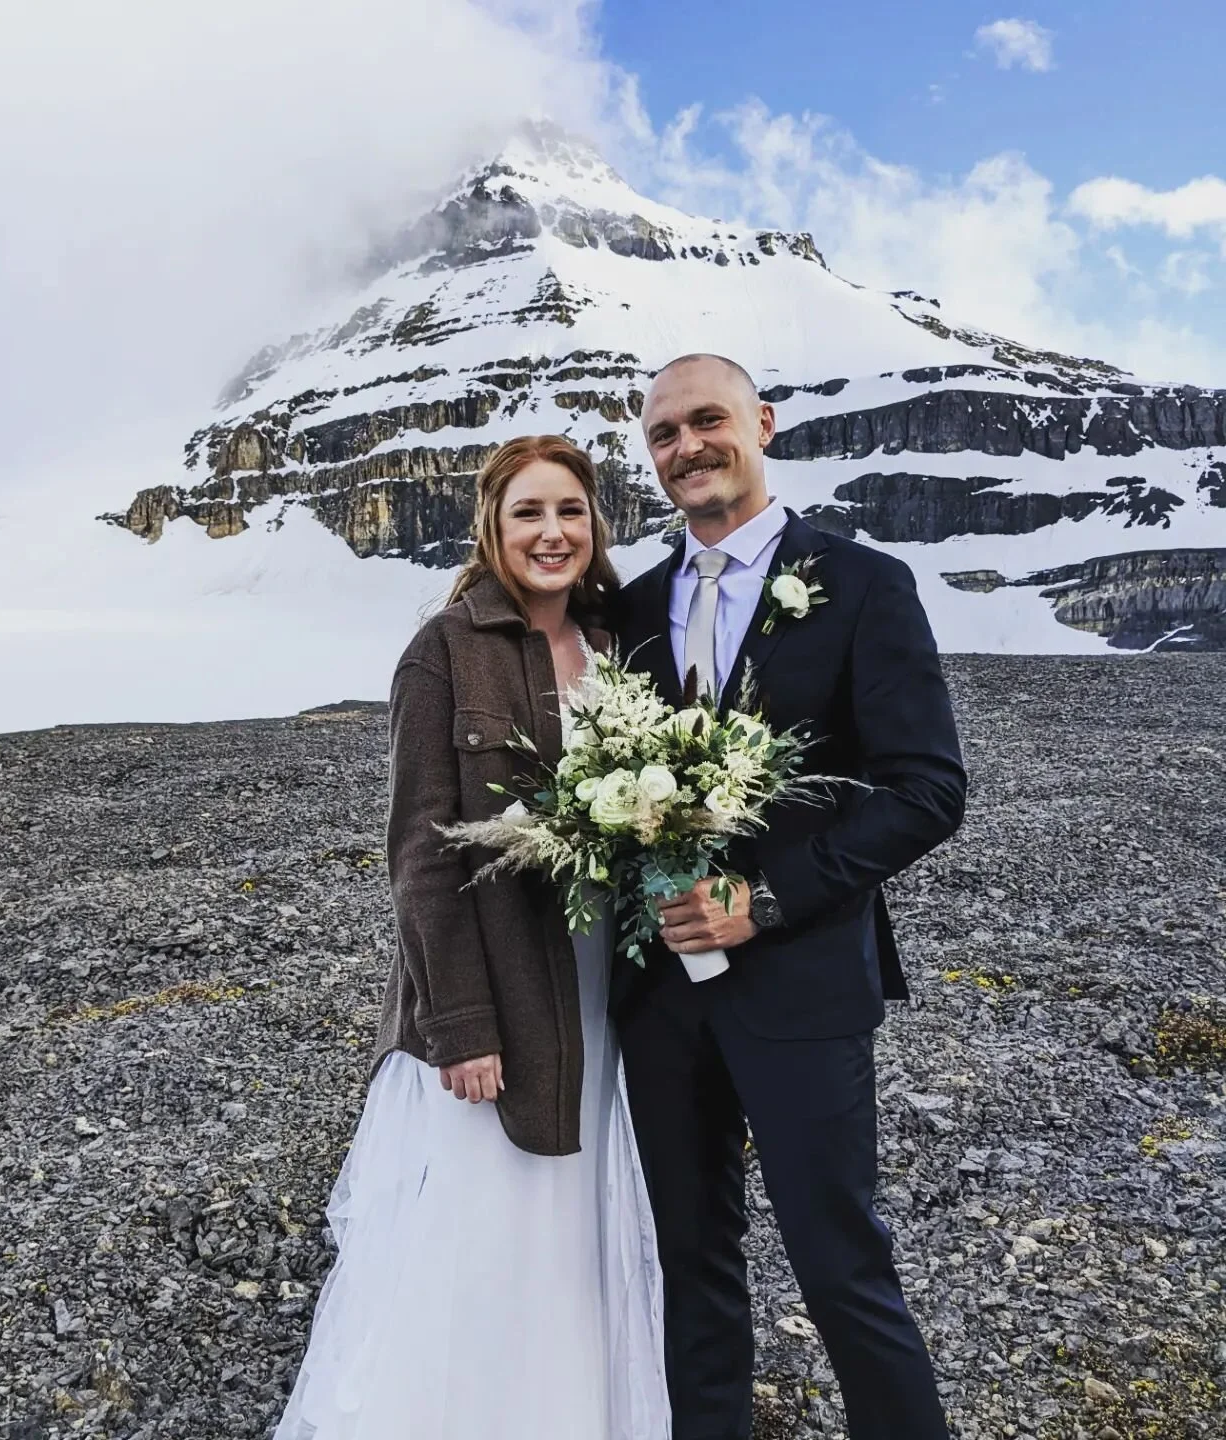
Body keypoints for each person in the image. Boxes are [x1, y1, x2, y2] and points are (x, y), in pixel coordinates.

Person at [272, 435, 671, 1440]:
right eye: (528, 512)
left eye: (571, 511)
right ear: (491, 525)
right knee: (487, 1232)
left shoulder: (618, 645)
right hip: (496, 997)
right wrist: (460, 1025)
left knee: (582, 1227)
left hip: (601, 991)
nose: (552, 533)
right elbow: (420, 856)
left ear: (596, 525)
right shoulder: (444, 650)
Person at [612, 353, 968, 1440]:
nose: (687, 449)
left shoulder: (864, 584)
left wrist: (761, 903)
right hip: (661, 998)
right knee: (691, 1262)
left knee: (838, 1260)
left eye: (706, 421)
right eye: (664, 435)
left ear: (760, 424)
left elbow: (928, 792)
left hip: (806, 984)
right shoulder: (627, 609)